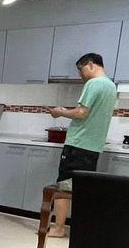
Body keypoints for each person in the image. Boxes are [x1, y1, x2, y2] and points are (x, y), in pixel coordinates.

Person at [48, 52, 117, 236]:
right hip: (93, 147)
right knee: (83, 189)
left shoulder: (93, 83)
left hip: (78, 144)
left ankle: (59, 228)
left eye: (81, 70)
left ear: (91, 65)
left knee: (63, 187)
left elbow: (81, 112)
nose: (80, 75)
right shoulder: (111, 86)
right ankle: (83, 230)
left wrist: (60, 112)